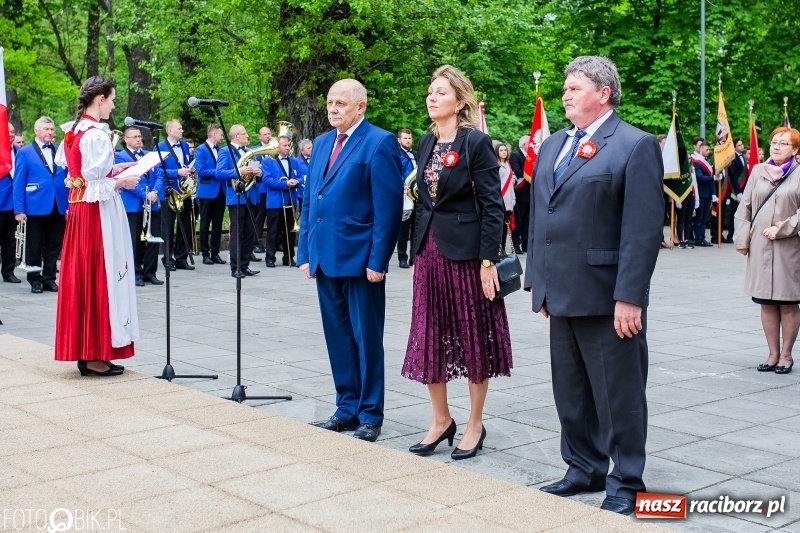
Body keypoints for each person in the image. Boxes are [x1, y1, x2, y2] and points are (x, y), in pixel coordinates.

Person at [524, 56, 663, 515]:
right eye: (564, 87)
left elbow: (641, 231)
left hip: (607, 295)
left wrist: (629, 297)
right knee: (571, 391)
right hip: (560, 291)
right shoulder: (554, 145)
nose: (565, 94)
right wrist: (538, 283)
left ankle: (626, 480)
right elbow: (540, 216)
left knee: (617, 393)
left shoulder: (633, 144)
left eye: (575, 87)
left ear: (604, 93)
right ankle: (583, 466)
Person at [401, 65, 512, 460]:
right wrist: (416, 250)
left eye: (441, 93)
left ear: (460, 101)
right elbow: (425, 203)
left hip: (467, 256)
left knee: (471, 336)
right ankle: (440, 419)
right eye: (430, 92)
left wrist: (488, 261)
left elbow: (492, 205)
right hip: (429, 253)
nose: (432, 98)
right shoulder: (426, 143)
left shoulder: (475, 143)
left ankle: (475, 423)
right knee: (429, 335)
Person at [298, 78, 403, 442]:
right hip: (325, 258)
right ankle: (346, 408)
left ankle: (370, 414)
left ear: (361, 106)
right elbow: (311, 201)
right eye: (330, 101)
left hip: (361, 261)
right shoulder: (323, 143)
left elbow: (386, 209)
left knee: (366, 338)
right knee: (338, 337)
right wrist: (304, 252)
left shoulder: (379, 142)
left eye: (341, 103)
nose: (333, 108)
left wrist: (378, 260)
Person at [53, 76, 143, 376]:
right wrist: (123, 180)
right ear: (100, 99)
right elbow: (95, 183)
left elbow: (82, 175)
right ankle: (93, 352)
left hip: (81, 211)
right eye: (112, 99)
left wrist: (117, 168)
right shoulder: (95, 134)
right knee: (99, 276)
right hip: (95, 214)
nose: (114, 105)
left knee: (87, 276)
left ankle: (90, 350)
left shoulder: (75, 130)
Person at [734, 127, 800, 375]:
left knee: (788, 302)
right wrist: (742, 241)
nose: (776, 147)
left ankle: (786, 355)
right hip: (760, 247)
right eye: (774, 142)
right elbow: (745, 207)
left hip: (789, 248)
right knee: (766, 303)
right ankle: (772, 354)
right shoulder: (758, 171)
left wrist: (783, 229)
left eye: (783, 143)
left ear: (794, 149)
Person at [12, 116, 68, 293]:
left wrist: (68, 205)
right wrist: (19, 209)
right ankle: (35, 279)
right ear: (36, 131)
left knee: (54, 245)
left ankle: (49, 278)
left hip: (58, 204)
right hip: (35, 205)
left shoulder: (60, 151)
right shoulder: (25, 152)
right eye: (46, 129)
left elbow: (66, 179)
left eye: (52, 129)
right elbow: (19, 182)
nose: (50, 132)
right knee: (34, 245)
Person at [115, 126, 160, 286]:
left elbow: (159, 175)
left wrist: (154, 192)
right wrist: (145, 194)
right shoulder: (120, 157)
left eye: (139, 136)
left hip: (152, 202)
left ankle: (150, 272)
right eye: (134, 137)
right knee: (134, 240)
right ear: (125, 139)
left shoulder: (150, 155)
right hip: (133, 204)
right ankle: (135, 273)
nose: (138, 139)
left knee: (153, 238)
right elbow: (127, 180)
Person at [216, 125, 261, 278]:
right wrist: (239, 171)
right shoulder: (225, 151)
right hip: (236, 196)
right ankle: (235, 267)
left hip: (251, 195)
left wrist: (258, 172)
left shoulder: (249, 152)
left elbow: (256, 173)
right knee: (237, 232)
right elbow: (219, 173)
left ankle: (245, 264)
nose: (247, 136)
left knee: (249, 233)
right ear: (236, 136)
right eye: (244, 133)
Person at [156, 119, 195, 270]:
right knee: (168, 226)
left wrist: (189, 169)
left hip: (183, 191)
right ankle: (167, 258)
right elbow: (158, 170)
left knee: (184, 225)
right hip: (168, 191)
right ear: (170, 131)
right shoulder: (159, 147)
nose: (182, 131)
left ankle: (182, 258)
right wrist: (177, 172)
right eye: (179, 129)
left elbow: (187, 161)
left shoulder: (185, 145)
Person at [262, 135, 302, 267]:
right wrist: (285, 184)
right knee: (273, 231)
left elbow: (301, 177)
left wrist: (296, 181)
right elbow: (267, 180)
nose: (288, 148)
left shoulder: (294, 161)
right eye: (284, 145)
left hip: (290, 200)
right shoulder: (268, 161)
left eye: (288, 145)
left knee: (290, 231)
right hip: (275, 201)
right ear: (277, 147)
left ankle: (289, 257)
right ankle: (270, 257)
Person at [195, 124, 227, 265]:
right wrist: (219, 172)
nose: (221, 138)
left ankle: (215, 253)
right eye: (220, 135)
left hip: (221, 190)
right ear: (213, 134)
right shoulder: (200, 150)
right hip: (207, 191)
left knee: (218, 224)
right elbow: (201, 171)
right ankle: (205, 254)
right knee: (204, 225)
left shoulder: (221, 150)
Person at [1, 123, 20, 284]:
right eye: (7, 132)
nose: (11, 135)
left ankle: (8, 272)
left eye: (13, 132)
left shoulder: (19, 152)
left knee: (10, 240)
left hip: (13, 204)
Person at [396, 128, 416, 268]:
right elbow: (396, 173)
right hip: (404, 196)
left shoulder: (416, 154)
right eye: (405, 138)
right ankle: (402, 257)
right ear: (399, 140)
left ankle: (414, 257)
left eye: (409, 138)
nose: (408, 141)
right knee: (403, 229)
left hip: (417, 196)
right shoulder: (397, 155)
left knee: (417, 229)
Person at [691, 140, 714, 247]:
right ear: (700, 149)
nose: (708, 151)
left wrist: (713, 193)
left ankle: (702, 237)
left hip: (707, 193)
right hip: (700, 193)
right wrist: (712, 178)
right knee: (699, 218)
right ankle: (698, 238)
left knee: (705, 217)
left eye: (709, 150)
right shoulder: (697, 162)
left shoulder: (707, 161)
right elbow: (699, 177)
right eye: (706, 149)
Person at [510, 135, 530, 254]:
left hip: (530, 193)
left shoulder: (531, 157)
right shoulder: (516, 156)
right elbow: (517, 171)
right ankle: (516, 244)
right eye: (529, 143)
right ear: (524, 144)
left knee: (528, 220)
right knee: (518, 220)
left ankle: (526, 244)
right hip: (520, 193)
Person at [725, 137, 747, 243]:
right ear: (734, 147)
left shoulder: (743, 157)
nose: (742, 146)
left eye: (742, 144)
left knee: (742, 215)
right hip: (735, 191)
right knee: (734, 214)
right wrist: (738, 191)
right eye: (739, 145)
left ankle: (739, 235)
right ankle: (731, 235)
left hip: (744, 189)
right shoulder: (733, 158)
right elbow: (733, 176)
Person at [496, 142, 515, 252]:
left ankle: (502, 248)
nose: (504, 152)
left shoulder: (508, 164)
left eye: (505, 150)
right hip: (500, 197)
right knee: (499, 224)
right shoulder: (496, 165)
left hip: (508, 199)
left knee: (505, 225)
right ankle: (498, 248)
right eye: (501, 150)